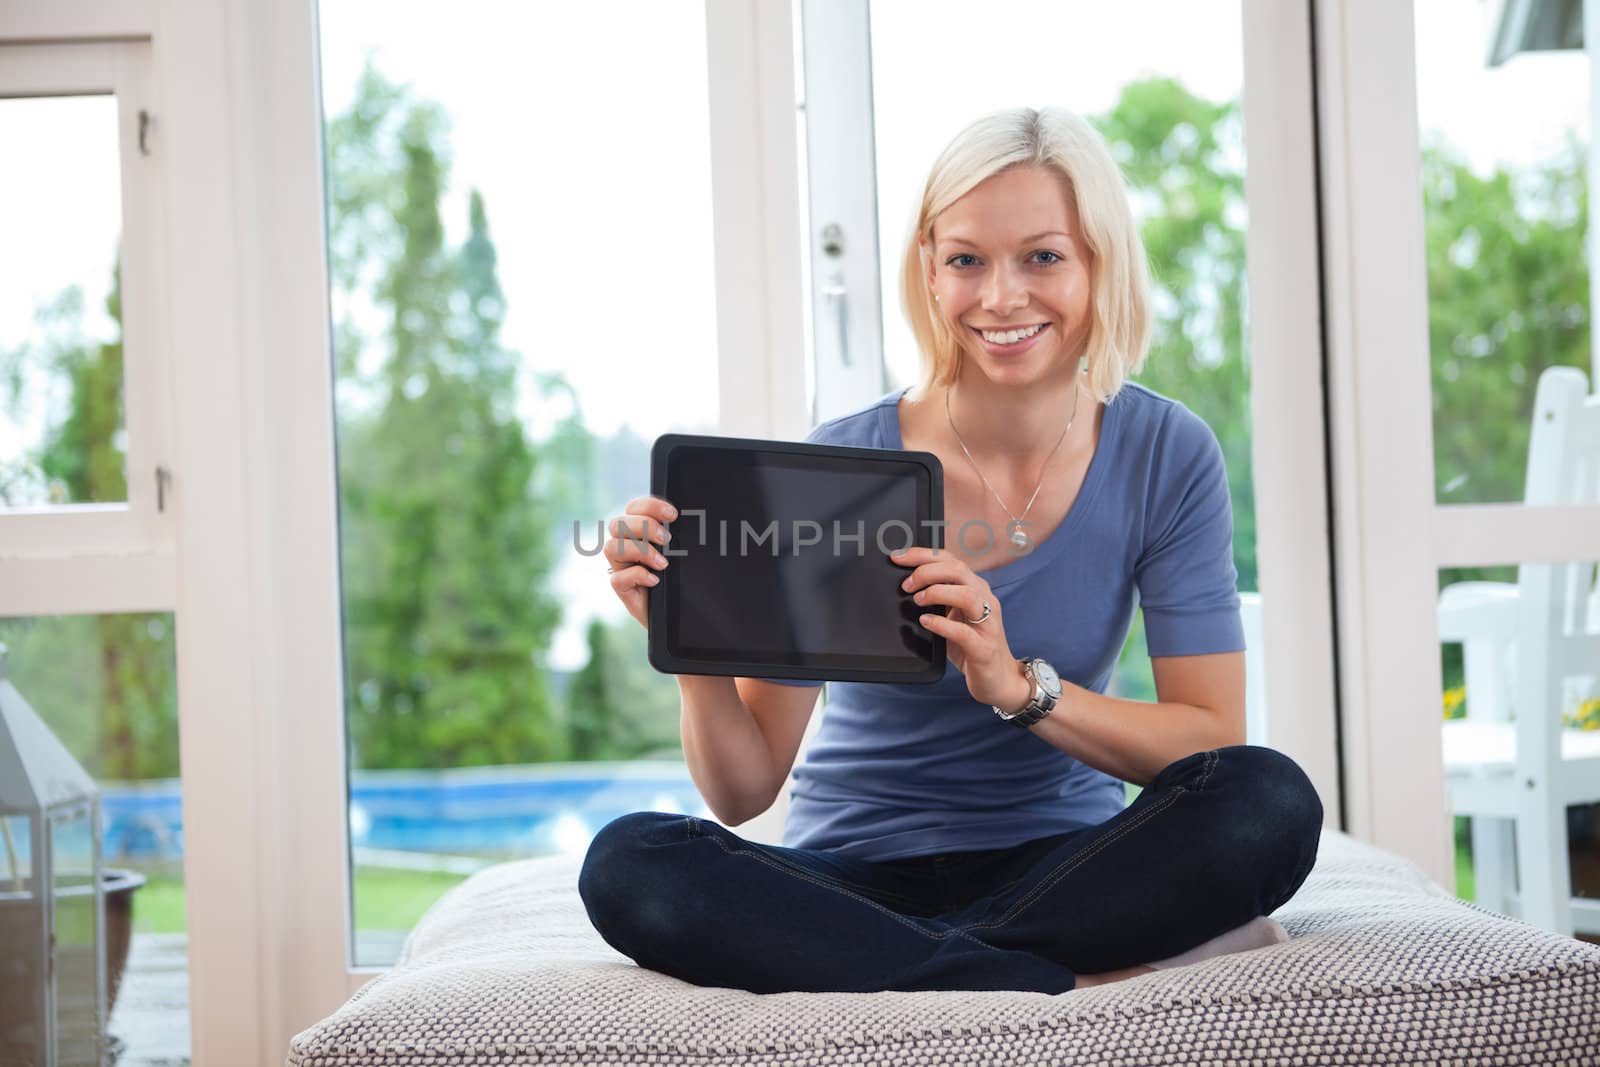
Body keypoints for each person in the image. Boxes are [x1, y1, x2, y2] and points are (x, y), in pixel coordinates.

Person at [579, 106, 1322, 995]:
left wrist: (1019, 687)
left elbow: (1209, 742)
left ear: (1099, 263)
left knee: (1269, 801)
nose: (1002, 296)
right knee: (630, 861)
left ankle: (911, 961)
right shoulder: (846, 460)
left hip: (1069, 867)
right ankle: (1038, 975)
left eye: (1043, 256)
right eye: (967, 259)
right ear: (929, 273)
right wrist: (688, 637)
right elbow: (743, 793)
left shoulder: (1167, 451)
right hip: (852, 875)